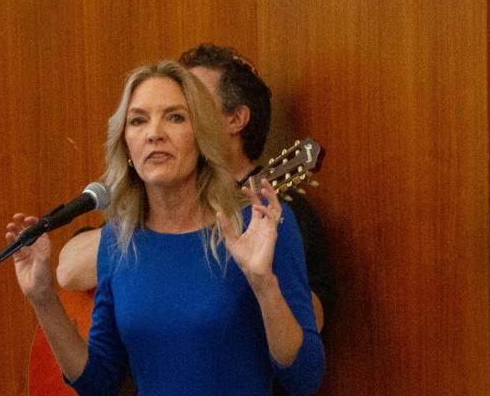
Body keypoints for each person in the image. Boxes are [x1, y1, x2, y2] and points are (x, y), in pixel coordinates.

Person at [6, 61, 324, 396]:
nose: (154, 134)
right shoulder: (117, 242)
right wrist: (42, 297)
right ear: (125, 143)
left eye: (174, 118)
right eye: (138, 121)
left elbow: (305, 377)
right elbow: (98, 387)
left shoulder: (261, 225)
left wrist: (263, 282)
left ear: (202, 136)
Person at [56, 44, 337, 330]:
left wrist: (262, 277)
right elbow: (68, 271)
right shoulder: (154, 202)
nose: (158, 128)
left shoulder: (281, 211)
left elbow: (308, 327)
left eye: (184, 106)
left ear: (235, 119)